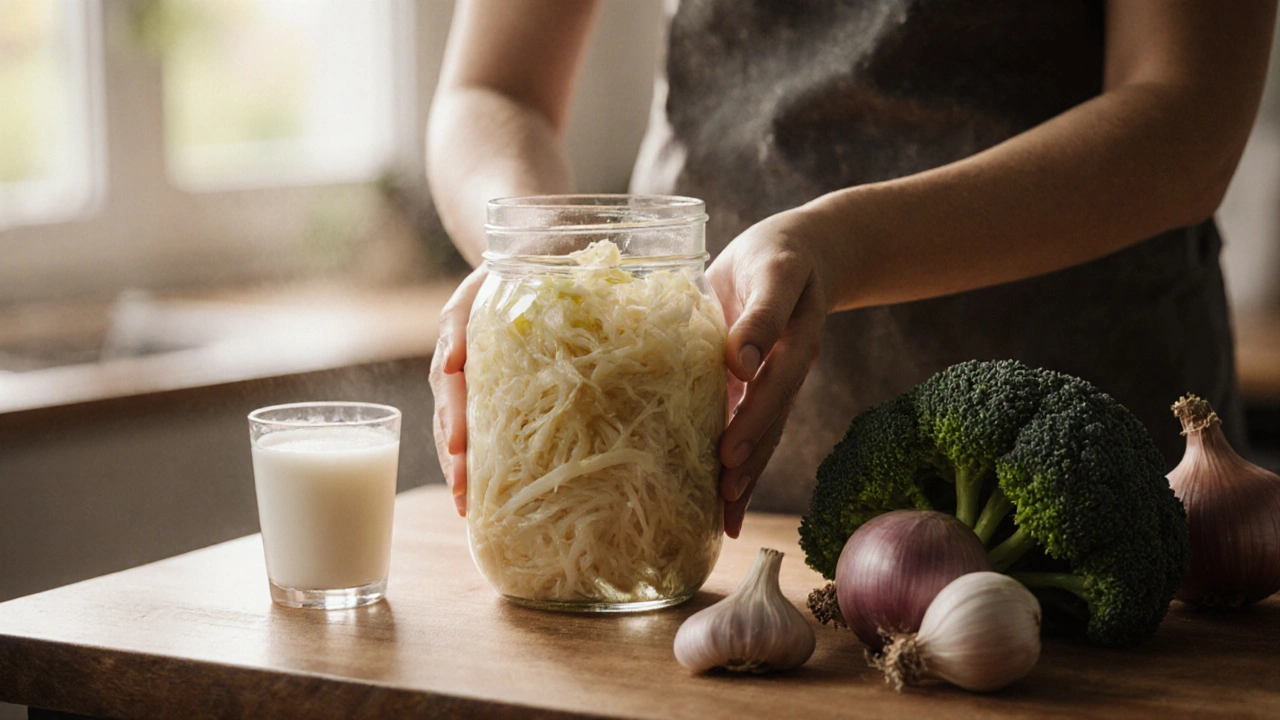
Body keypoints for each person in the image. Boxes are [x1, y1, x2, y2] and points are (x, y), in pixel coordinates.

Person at [426, 0, 1277, 538]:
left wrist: (844, 242)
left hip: (1074, 470)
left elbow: (1188, 123)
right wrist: (535, 262)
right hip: (705, 482)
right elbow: (493, 90)